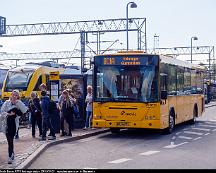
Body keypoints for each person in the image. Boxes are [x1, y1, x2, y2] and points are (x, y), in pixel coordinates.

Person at [0, 90, 28, 164]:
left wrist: (18, 104)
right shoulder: (6, 102)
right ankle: (12, 153)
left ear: (18, 96)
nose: (14, 96)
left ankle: (10, 155)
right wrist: (9, 114)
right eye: (13, 94)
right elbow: (2, 111)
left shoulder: (19, 103)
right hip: (6, 124)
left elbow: (25, 111)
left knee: (10, 139)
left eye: (16, 95)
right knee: (9, 140)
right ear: (11, 95)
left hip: (14, 124)